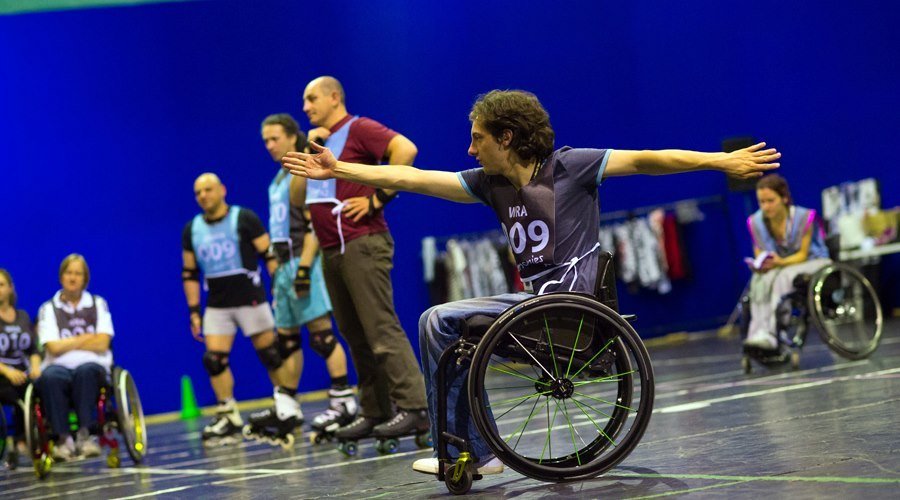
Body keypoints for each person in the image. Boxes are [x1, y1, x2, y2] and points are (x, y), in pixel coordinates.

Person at [282, 89, 780, 473]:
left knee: (440, 319)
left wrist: (721, 161)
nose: (469, 147)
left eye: (477, 137)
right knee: (438, 322)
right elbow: (413, 179)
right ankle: (474, 452)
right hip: (531, 306)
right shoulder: (489, 184)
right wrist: (341, 167)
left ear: (506, 138)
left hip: (571, 306)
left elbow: (650, 158)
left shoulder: (571, 167)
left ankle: (475, 453)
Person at [295, 76, 429, 443]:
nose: (306, 107)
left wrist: (377, 200)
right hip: (331, 249)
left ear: (335, 97)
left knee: (380, 329)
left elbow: (406, 151)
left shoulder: (359, 128)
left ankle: (416, 409)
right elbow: (300, 196)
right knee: (355, 335)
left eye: (312, 99)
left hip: (362, 243)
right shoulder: (321, 139)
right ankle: (376, 410)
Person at [258, 113, 357, 438]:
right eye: (266, 141)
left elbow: (314, 224)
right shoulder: (278, 178)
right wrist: (278, 269)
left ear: (292, 138)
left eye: (275, 139)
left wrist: (304, 267)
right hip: (283, 265)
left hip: (303, 261)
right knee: (285, 341)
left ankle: (344, 401)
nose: (269, 145)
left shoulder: (301, 176)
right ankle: (287, 405)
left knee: (321, 336)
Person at [181, 173, 298, 447]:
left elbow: (269, 255)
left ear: (222, 190)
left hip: (250, 298)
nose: (203, 196)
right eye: (198, 192)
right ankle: (228, 414)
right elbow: (189, 272)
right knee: (214, 360)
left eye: (208, 190)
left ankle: (287, 405)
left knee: (271, 354)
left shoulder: (244, 218)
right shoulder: (192, 229)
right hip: (218, 303)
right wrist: (194, 311)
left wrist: (279, 292)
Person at [35, 254, 112, 461]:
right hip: (58, 365)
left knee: (86, 371)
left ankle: (85, 436)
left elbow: (103, 343)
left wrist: (68, 343)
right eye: (69, 273)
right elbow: (53, 347)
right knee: (50, 377)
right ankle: (62, 440)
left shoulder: (98, 303)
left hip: (92, 365)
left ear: (85, 278)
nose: (73, 277)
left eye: (78, 273)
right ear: (61, 277)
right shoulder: (48, 308)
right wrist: (87, 338)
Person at [744, 174, 830, 350]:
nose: (765, 206)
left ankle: (774, 333)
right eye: (761, 202)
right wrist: (761, 266)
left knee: (782, 277)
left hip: (813, 260)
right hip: (780, 264)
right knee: (759, 280)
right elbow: (760, 252)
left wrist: (780, 263)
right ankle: (757, 333)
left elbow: (803, 255)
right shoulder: (755, 222)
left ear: (784, 198)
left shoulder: (804, 217)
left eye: (770, 201)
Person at [0, 269, 41, 469]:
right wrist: (7, 371)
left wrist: (35, 367)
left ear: (10, 288)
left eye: (1, 285)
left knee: (41, 384)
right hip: (2, 376)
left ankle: (52, 440)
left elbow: (34, 349)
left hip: (23, 373)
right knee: (14, 387)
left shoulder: (23, 316)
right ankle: (15, 440)